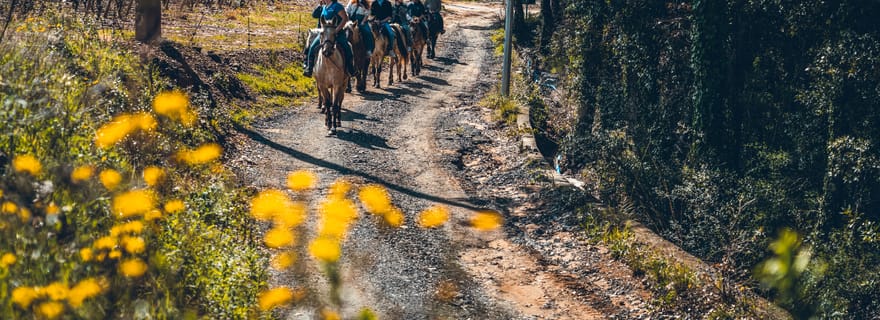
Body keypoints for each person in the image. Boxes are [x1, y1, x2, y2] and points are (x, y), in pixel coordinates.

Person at [303, 0, 356, 77]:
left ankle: (350, 69)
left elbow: (345, 18)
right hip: (325, 34)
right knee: (312, 47)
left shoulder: (337, 6)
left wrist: (336, 30)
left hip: (337, 33)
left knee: (347, 47)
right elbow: (316, 17)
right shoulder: (324, 7)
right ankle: (309, 68)